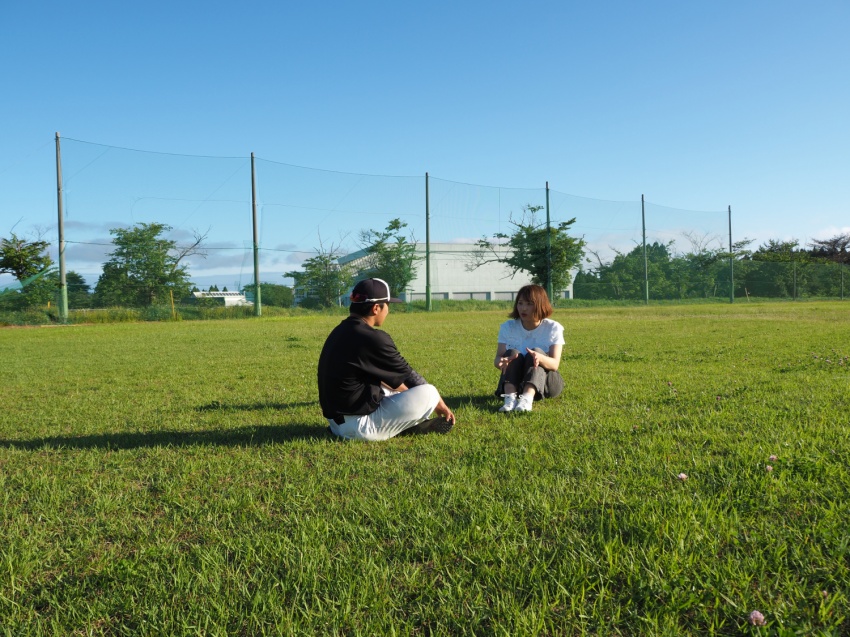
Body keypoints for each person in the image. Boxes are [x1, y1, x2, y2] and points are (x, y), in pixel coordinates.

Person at [318, 277, 456, 440]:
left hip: (337, 424)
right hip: (359, 428)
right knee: (430, 393)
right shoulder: (373, 337)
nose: (388, 311)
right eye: (388, 305)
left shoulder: (340, 330)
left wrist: (403, 393)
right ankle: (401, 427)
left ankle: (402, 424)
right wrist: (440, 405)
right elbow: (410, 376)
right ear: (376, 308)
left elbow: (388, 378)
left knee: (392, 388)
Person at [493, 284, 565, 412]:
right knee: (512, 353)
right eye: (520, 303)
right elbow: (498, 358)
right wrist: (501, 361)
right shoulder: (507, 327)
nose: (523, 308)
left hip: (547, 384)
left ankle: (527, 400)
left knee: (536, 352)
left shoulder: (553, 328)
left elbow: (555, 364)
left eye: (529, 304)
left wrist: (540, 358)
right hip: (516, 382)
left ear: (540, 305)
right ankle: (510, 400)